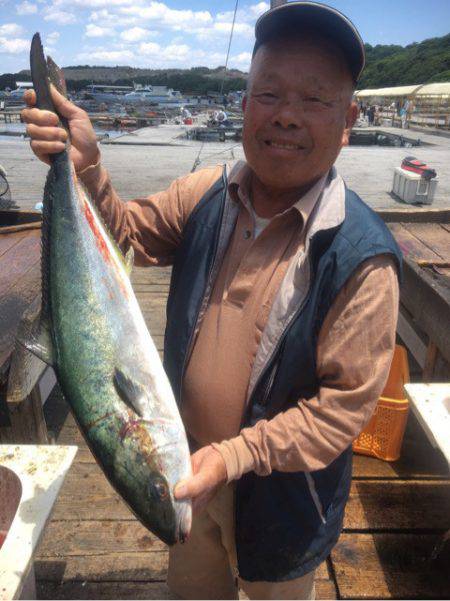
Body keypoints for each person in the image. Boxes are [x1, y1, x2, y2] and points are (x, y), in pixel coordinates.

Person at [22, 2, 401, 599]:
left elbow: (342, 411)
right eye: (268, 93)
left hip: (284, 498)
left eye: (314, 99)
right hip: (186, 477)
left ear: (349, 118)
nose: (286, 116)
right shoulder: (206, 194)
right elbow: (127, 235)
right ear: (244, 104)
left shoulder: (362, 256)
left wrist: (235, 457)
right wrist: (84, 165)